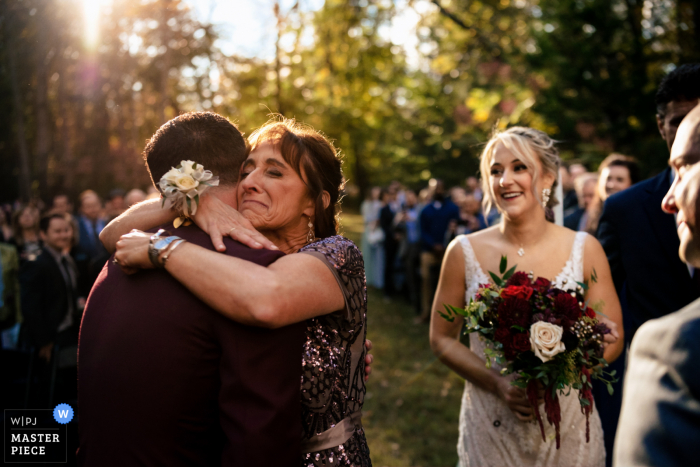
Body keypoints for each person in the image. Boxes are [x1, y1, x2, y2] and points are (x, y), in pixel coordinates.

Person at [108, 117, 372, 466]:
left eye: (274, 173)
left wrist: (163, 249)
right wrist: (195, 200)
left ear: (315, 202)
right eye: (247, 170)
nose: (249, 182)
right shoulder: (231, 249)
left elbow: (266, 299)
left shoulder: (339, 255)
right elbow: (111, 235)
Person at [78, 112, 304, 466]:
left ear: (163, 184)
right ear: (241, 168)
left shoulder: (118, 260)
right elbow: (260, 440)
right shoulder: (251, 271)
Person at [430, 126, 623, 467]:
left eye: (519, 167)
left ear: (548, 178)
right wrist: (498, 383)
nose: (506, 180)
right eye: (495, 170)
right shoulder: (462, 251)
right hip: (491, 426)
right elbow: (442, 338)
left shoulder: (585, 249)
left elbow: (612, 338)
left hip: (568, 426)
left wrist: (563, 370)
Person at [594, 63, 700, 467]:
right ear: (661, 126)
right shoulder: (626, 209)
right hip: (651, 397)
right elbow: (600, 307)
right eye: (679, 120)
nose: (692, 126)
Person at [20, 213, 79, 364]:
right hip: (50, 338)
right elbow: (30, 307)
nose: (63, 235)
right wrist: (44, 341)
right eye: (57, 231)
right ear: (43, 234)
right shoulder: (36, 263)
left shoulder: (68, 260)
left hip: (69, 332)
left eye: (66, 230)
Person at [417, 179, 459, 323]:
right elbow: (422, 231)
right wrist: (433, 245)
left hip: (448, 251)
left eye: (440, 188)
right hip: (429, 251)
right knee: (426, 282)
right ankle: (426, 313)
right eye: (435, 189)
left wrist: (444, 245)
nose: (438, 191)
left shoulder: (453, 209)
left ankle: (444, 315)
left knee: (447, 284)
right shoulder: (425, 210)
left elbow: (456, 228)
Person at [584, 154, 640, 235]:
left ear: (632, 184)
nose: (611, 185)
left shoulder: (637, 218)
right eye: (608, 178)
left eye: (620, 180)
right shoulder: (590, 215)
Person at [361, 187, 384, 289]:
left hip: (378, 231)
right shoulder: (366, 204)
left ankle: (377, 279)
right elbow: (366, 217)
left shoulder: (381, 203)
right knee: (368, 255)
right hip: (369, 230)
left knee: (378, 256)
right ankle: (368, 278)